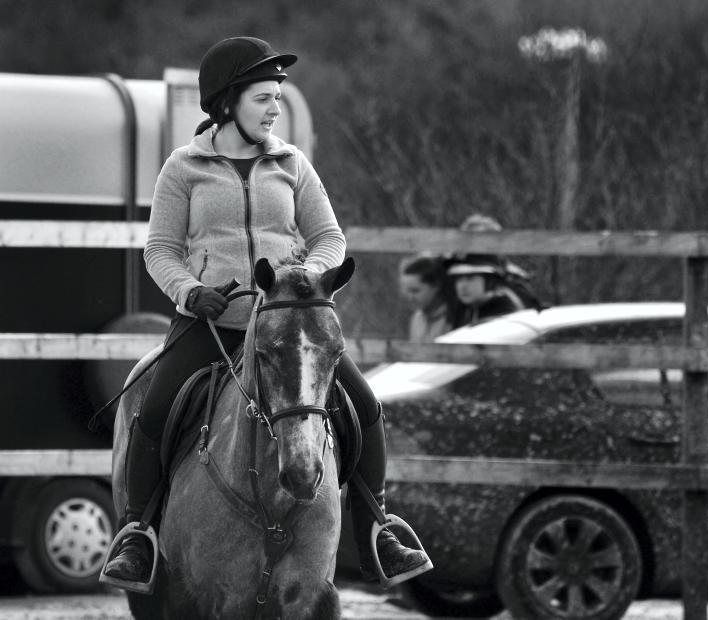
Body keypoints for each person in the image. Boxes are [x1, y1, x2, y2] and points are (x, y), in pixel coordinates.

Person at [103, 36, 429, 589]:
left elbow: (329, 237)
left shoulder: (292, 163)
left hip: (287, 323)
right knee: (152, 413)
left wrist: (306, 280)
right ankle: (139, 535)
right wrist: (189, 291)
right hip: (213, 322)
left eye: (277, 97)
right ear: (227, 102)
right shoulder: (183, 168)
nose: (275, 108)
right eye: (263, 98)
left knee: (365, 407)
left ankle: (379, 530)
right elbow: (160, 250)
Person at [446, 253, 526, 326]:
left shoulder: (504, 312)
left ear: (490, 281)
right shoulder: (469, 309)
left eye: (470, 278)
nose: (462, 286)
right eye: (459, 279)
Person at [398, 254, 454, 343]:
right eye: (407, 291)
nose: (410, 297)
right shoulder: (417, 318)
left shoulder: (452, 320)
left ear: (436, 286)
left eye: (415, 291)